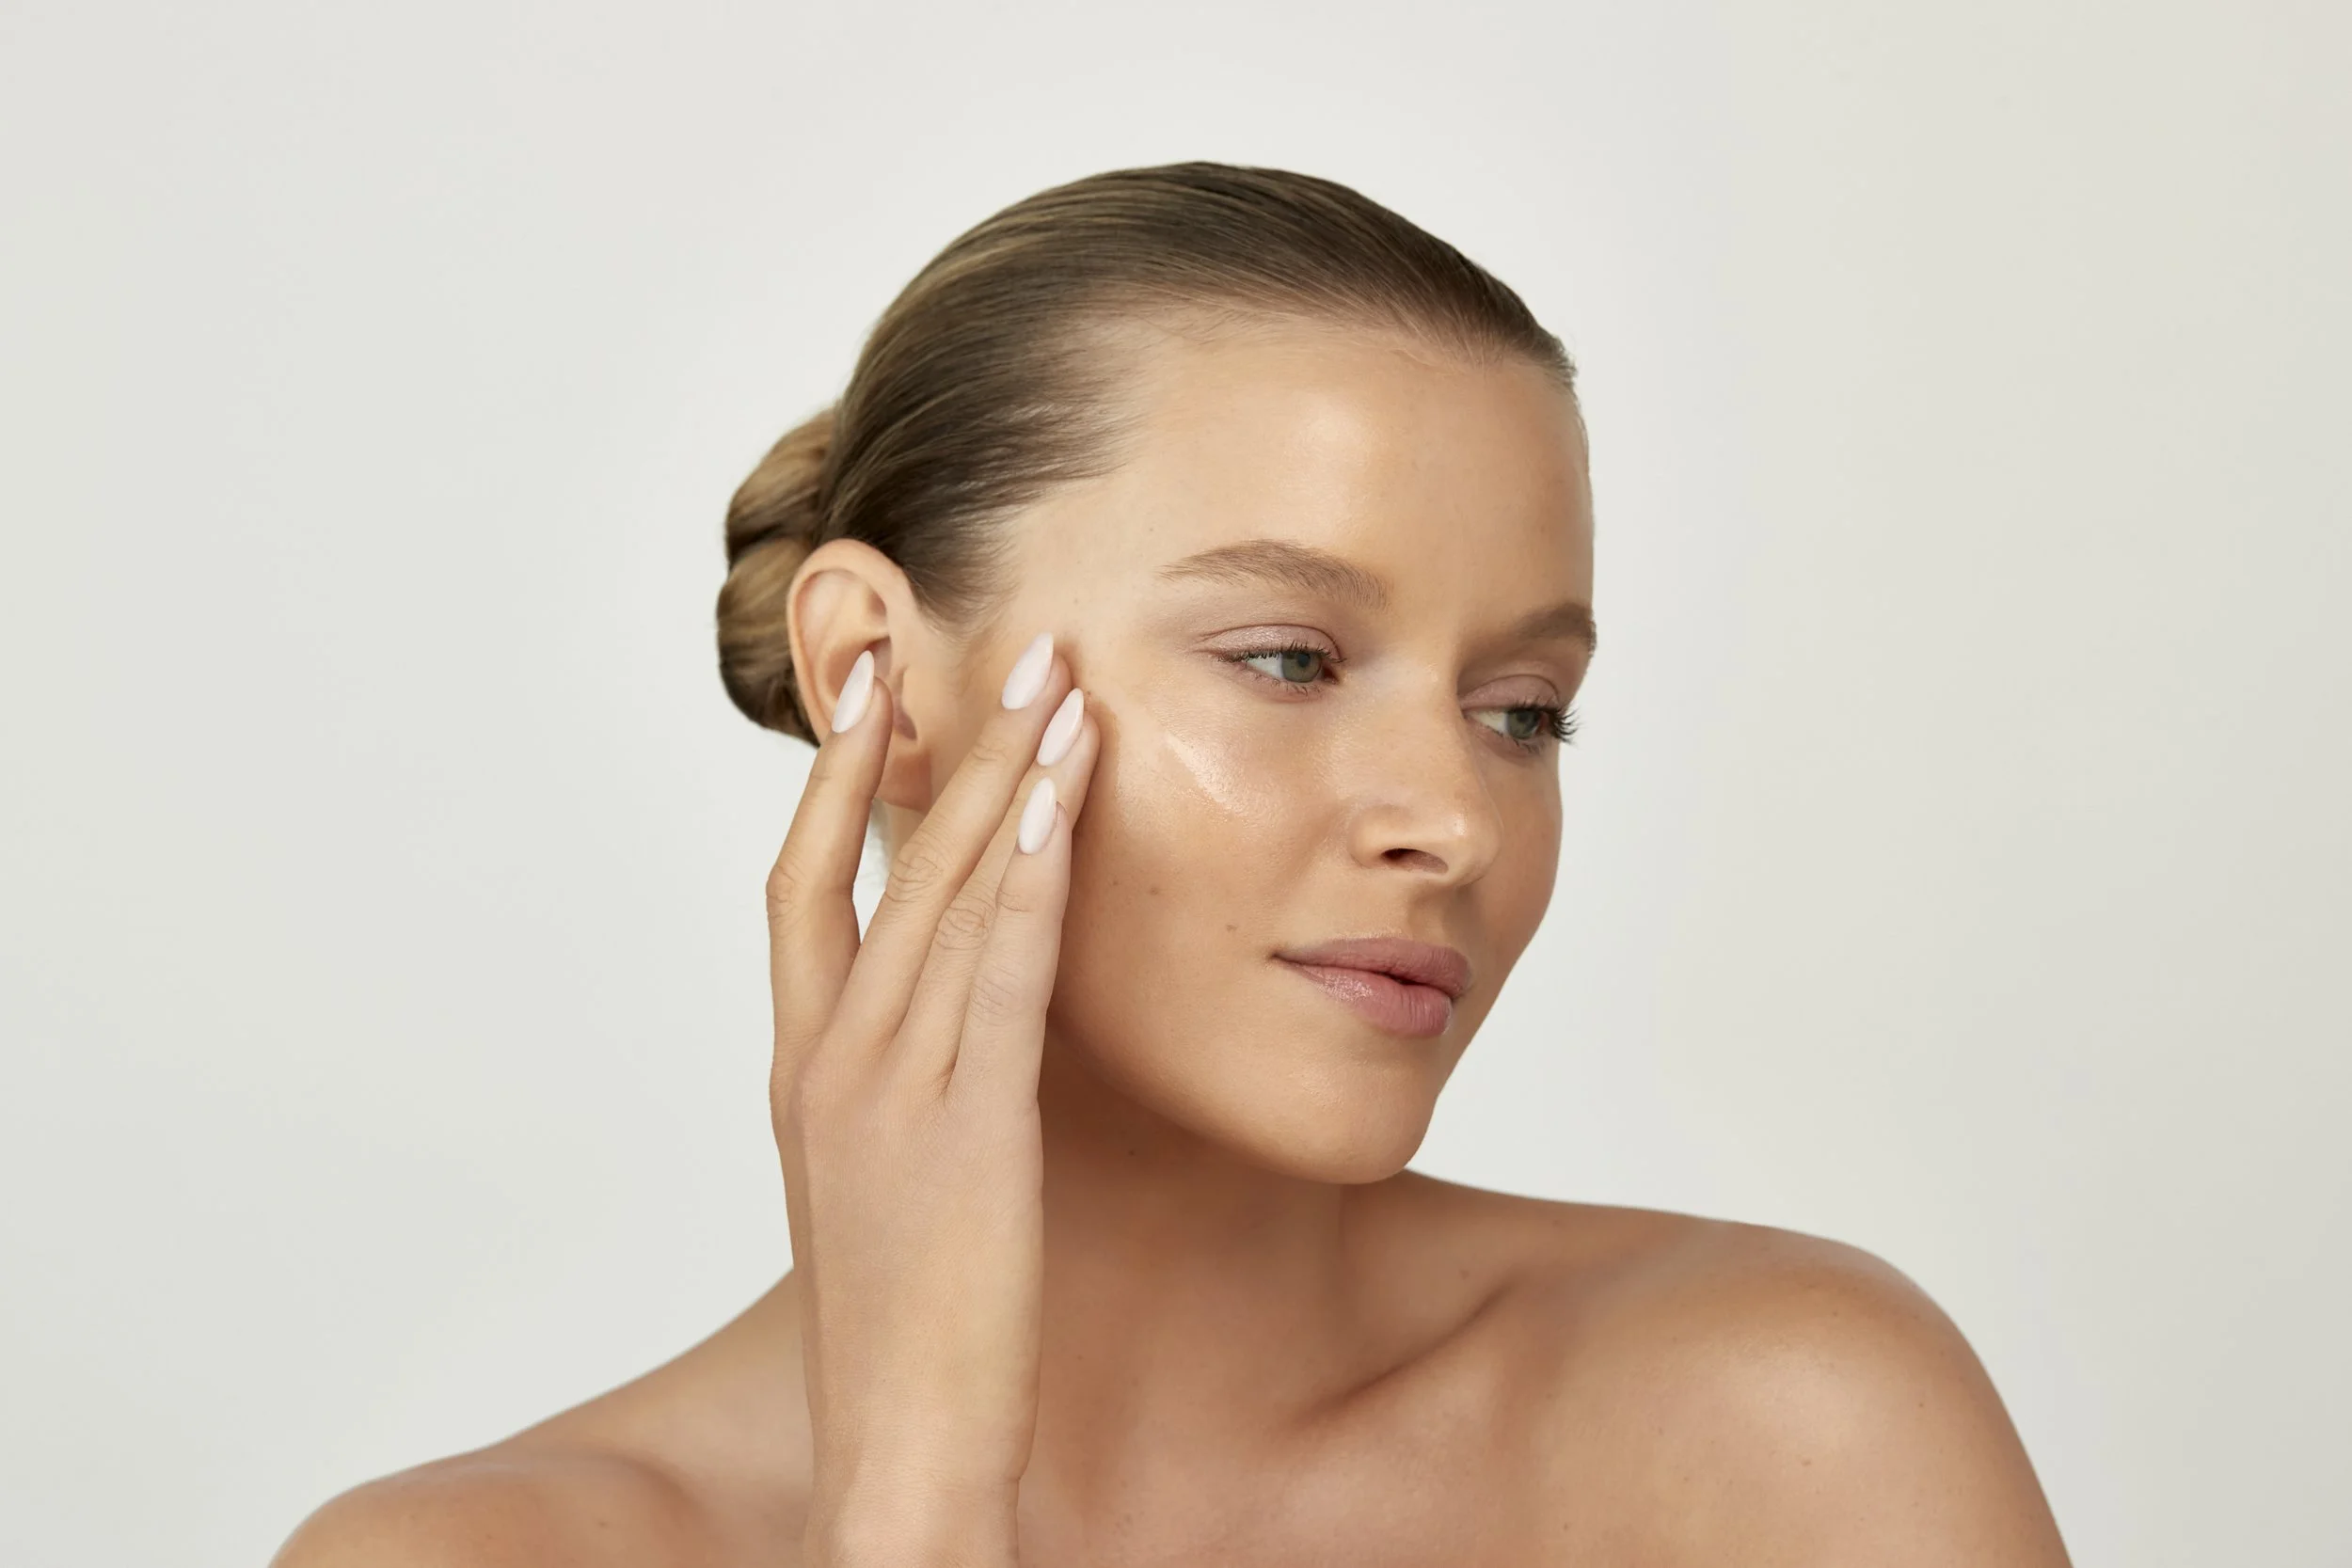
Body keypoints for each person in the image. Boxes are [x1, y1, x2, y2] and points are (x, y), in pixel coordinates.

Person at [273, 161, 2071, 1566]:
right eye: (1289, 659)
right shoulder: (467, 1555)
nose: (1451, 818)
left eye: (1524, 709)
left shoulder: (1779, 1428)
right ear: (873, 682)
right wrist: (906, 1505)